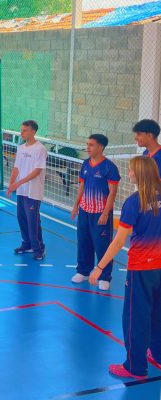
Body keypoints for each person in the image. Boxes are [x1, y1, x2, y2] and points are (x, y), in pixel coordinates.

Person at [90, 156, 161, 379]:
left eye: (131, 170)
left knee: (135, 318)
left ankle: (135, 367)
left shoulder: (134, 202)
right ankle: (158, 355)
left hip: (141, 270)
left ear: (138, 173)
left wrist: (99, 267)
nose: (128, 173)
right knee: (158, 313)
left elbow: (119, 241)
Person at [70, 134, 120, 291]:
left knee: (102, 246)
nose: (88, 147)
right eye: (87, 144)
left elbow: (112, 192)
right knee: (83, 242)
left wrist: (105, 213)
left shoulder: (110, 168)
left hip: (100, 213)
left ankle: (104, 277)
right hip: (85, 211)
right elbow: (82, 186)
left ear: (101, 147)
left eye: (91, 145)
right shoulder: (85, 164)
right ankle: (83, 271)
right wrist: (76, 205)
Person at [7, 120, 47, 261]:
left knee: (33, 221)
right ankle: (27, 244)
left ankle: (39, 248)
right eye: (21, 130)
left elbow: (37, 171)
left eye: (24, 130)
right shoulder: (21, 148)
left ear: (33, 131)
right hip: (22, 191)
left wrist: (18, 183)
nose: (21, 133)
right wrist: (11, 183)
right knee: (22, 218)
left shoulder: (40, 149)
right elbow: (16, 167)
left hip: (33, 192)